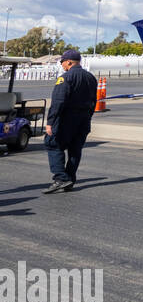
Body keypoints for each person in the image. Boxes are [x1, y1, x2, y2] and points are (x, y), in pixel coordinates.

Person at [44, 49, 98, 194]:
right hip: (84, 118)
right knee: (75, 150)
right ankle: (70, 179)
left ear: (69, 62)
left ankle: (61, 179)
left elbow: (58, 102)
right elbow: (94, 101)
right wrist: (88, 117)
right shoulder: (91, 78)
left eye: (62, 62)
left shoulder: (65, 77)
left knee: (53, 144)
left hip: (67, 118)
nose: (62, 65)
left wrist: (50, 122)